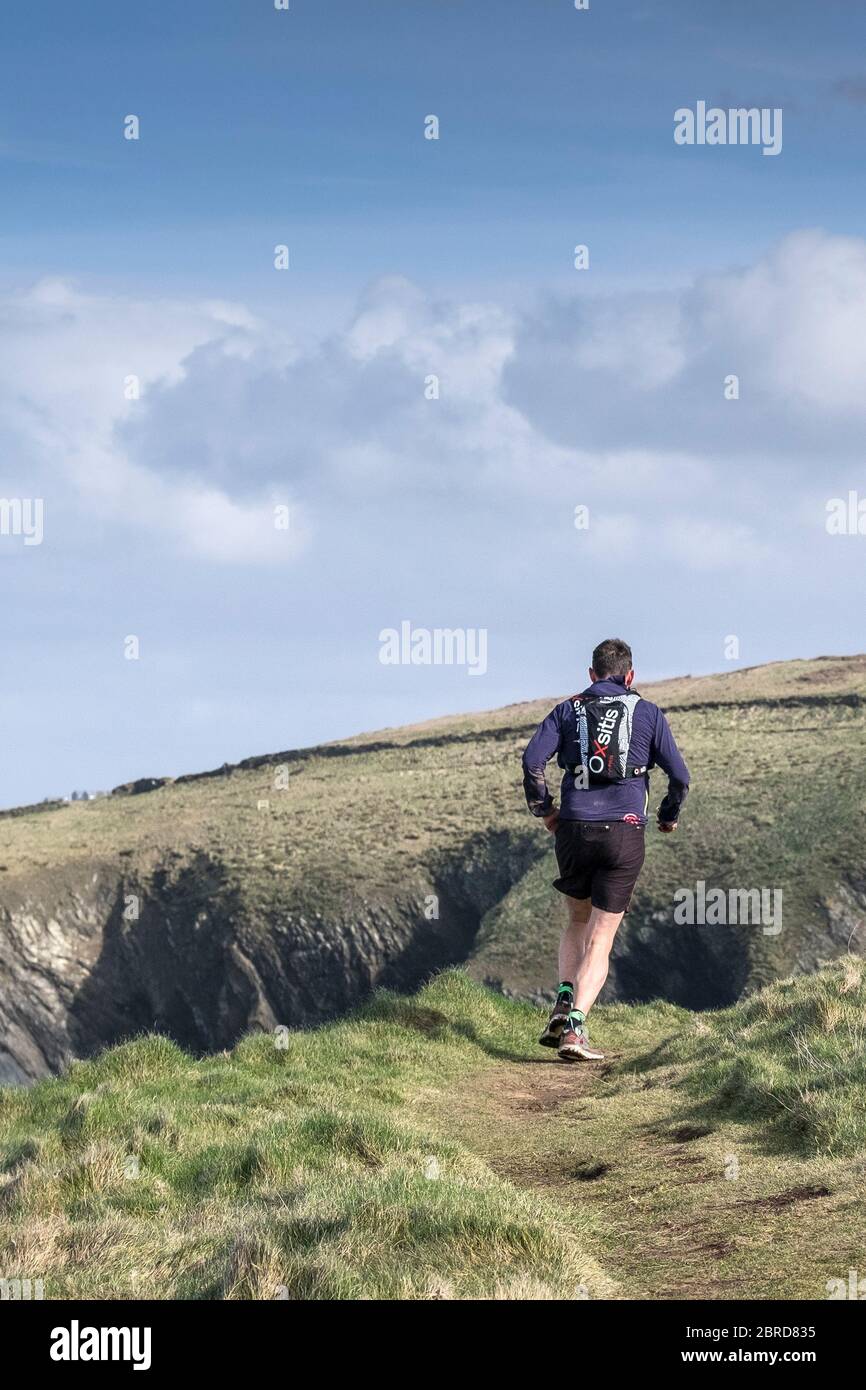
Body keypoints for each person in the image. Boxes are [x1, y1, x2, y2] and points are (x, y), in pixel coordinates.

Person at [521, 638, 690, 1061]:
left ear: (591, 674)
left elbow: (531, 762)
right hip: (624, 832)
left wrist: (545, 811)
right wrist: (668, 815)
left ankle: (562, 997)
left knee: (577, 919)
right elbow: (681, 777)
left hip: (574, 829)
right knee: (601, 936)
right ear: (630, 676)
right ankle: (575, 1028)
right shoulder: (648, 713)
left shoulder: (566, 709)